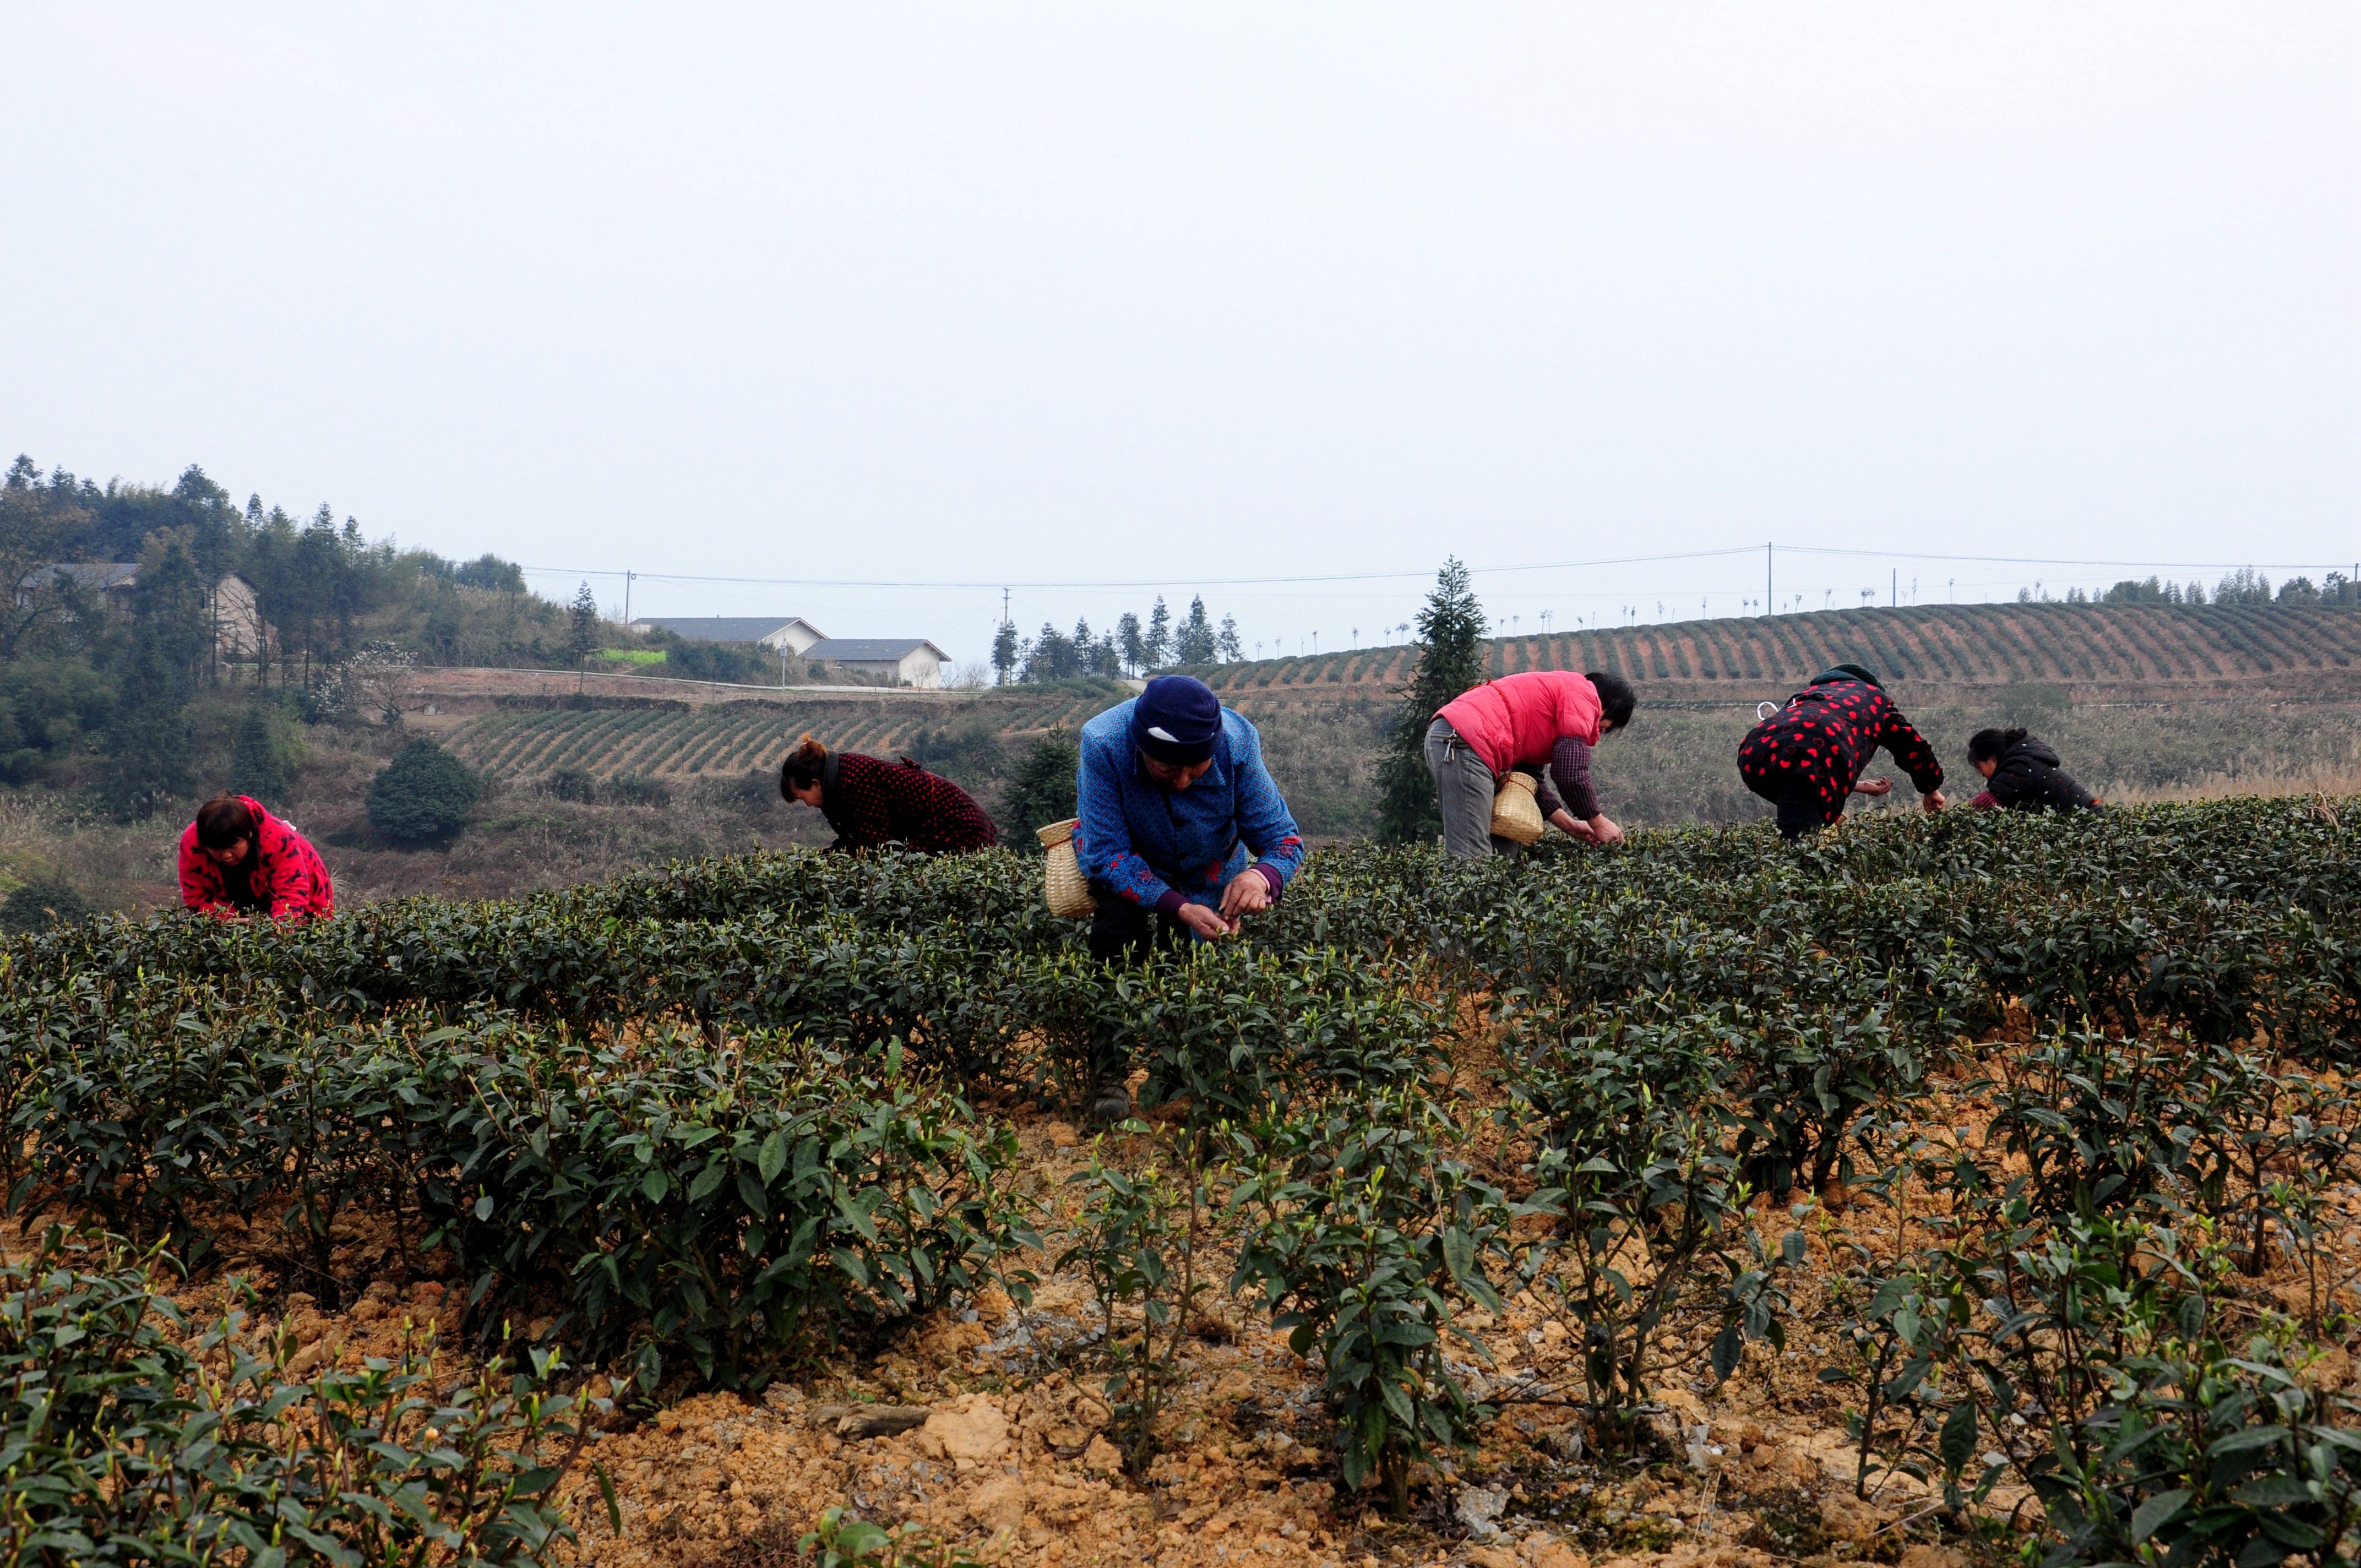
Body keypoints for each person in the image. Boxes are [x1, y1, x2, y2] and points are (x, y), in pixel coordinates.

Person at [1074, 673, 1305, 1120]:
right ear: (1141, 749)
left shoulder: (1238, 744)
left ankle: (1179, 1070)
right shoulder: (1103, 743)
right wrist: (1174, 904)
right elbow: (1106, 852)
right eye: (1165, 769)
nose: (1181, 781)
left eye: (1194, 770)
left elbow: (1283, 839)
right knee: (1116, 939)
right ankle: (1109, 1072)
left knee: (1188, 960)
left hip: (1210, 868)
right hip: (1132, 863)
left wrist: (1261, 877)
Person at [1425, 669, 1635, 859]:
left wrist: (1570, 826)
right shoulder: (1584, 695)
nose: (1600, 733)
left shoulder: (1563, 698)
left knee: (1502, 846)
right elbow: (1571, 774)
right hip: (1465, 741)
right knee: (1470, 855)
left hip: (1462, 739)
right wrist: (1598, 823)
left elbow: (1529, 780)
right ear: (1609, 706)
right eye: (1605, 728)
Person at [1737, 663, 1946, 839]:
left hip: (1755, 753)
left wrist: (1859, 786)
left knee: (1798, 811)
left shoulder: (1808, 695)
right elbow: (1911, 745)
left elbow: (1794, 755)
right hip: (1814, 751)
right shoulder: (1875, 698)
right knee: (1796, 852)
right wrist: (1931, 788)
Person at [778, 735, 998, 853]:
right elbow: (854, 839)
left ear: (815, 785)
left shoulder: (855, 781)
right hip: (933, 827)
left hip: (959, 825)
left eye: (801, 797)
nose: (807, 805)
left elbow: (875, 847)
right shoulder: (837, 782)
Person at [177, 792, 335, 922]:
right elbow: (195, 895)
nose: (226, 856)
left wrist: (279, 938)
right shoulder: (192, 844)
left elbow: (292, 893)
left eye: (233, 847)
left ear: (249, 834)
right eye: (216, 849)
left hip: (308, 894)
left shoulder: (278, 839)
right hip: (236, 896)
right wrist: (226, 919)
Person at [1964, 728, 2102, 813]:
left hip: (2089, 820)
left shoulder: (2021, 765)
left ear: (1991, 759)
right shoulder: (2025, 760)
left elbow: (1992, 800)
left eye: (1979, 767)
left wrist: (1958, 817)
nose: (1981, 774)